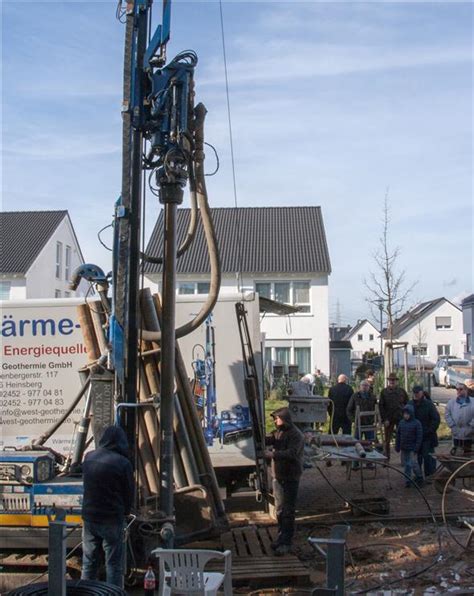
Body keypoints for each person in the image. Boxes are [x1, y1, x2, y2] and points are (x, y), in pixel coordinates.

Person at [81, 425, 134, 587]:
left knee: (89, 562)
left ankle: (85, 591)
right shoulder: (123, 463)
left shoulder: (89, 457)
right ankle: (113, 592)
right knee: (113, 566)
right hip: (111, 519)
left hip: (89, 518)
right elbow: (128, 493)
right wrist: (125, 512)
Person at [265, 407, 304, 556]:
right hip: (278, 476)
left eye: (277, 418)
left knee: (288, 511)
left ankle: (286, 542)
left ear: (285, 419)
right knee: (280, 510)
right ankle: (281, 538)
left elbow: (292, 453)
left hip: (290, 477)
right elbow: (270, 439)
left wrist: (272, 454)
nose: (275, 421)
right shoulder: (278, 432)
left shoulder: (296, 435)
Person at [411, 385, 440, 478]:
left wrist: (429, 430)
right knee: (416, 458)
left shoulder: (429, 404)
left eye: (418, 393)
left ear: (422, 393)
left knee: (428, 457)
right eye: (415, 393)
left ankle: (430, 475)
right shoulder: (410, 404)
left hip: (427, 436)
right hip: (415, 436)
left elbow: (436, 419)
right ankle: (418, 476)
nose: (416, 395)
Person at [378, 372, 409, 460]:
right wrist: (384, 419)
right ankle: (386, 459)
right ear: (388, 381)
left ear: (396, 381)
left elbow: (407, 404)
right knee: (387, 440)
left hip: (400, 418)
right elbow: (381, 406)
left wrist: (406, 415)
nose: (392, 381)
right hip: (388, 419)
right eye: (390, 380)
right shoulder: (384, 392)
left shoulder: (402, 391)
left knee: (403, 438)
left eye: (393, 380)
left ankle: (404, 459)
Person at [395, 404, 424, 487]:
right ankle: (408, 480)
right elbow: (398, 435)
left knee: (413, 464)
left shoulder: (417, 423)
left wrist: (416, 447)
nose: (406, 415)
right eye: (404, 414)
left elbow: (419, 437)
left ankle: (419, 477)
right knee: (406, 465)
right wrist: (397, 446)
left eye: (407, 414)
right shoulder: (401, 423)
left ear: (411, 414)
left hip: (413, 448)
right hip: (404, 448)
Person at [445, 383, 474, 455]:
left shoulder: (473, 402)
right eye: (457, 389)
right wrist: (453, 426)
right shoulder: (451, 402)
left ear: (466, 390)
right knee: (456, 453)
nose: (458, 391)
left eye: (461, 389)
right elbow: (447, 414)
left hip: (470, 433)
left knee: (468, 454)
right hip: (456, 432)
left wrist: (471, 427)